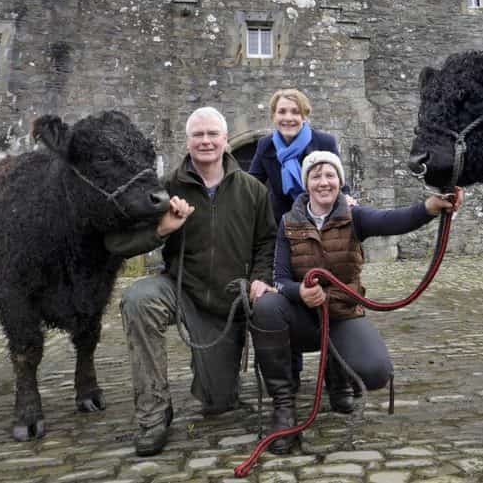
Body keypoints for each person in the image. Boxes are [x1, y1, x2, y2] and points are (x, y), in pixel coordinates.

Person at [249, 151, 463, 454]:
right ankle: (283, 409)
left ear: (340, 181)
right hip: (304, 316)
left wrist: (429, 207)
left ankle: (337, 376)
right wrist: (300, 293)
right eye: (316, 176)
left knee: (376, 372)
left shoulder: (355, 216)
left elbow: (393, 220)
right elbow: (280, 279)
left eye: (330, 176)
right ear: (306, 183)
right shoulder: (288, 222)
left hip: (342, 314)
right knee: (266, 308)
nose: (324, 182)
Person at [106, 107, 276, 457]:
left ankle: (217, 379)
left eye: (213, 134)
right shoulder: (166, 188)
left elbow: (267, 242)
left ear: (226, 140)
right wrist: (162, 229)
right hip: (179, 289)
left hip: (225, 305)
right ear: (188, 141)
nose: (206, 141)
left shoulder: (253, 190)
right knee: (139, 299)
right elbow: (118, 244)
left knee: (219, 402)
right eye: (198, 135)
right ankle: (153, 413)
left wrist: (259, 278)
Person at [249, 88, 353, 225]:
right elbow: (250, 184)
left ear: (304, 117)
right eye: (282, 112)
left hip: (321, 220)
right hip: (281, 222)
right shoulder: (266, 145)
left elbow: (340, 182)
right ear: (274, 116)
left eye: (295, 112)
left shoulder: (324, 142)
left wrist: (347, 198)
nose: (288, 118)